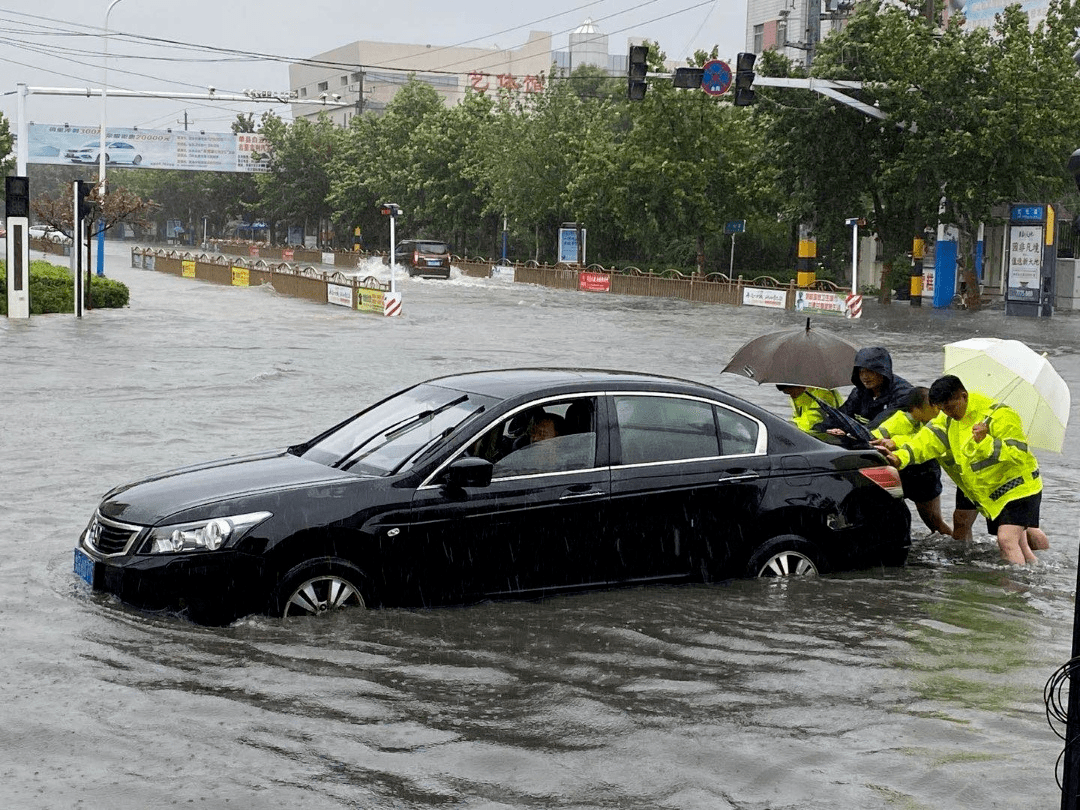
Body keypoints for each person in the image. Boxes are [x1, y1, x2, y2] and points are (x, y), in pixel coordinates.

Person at [884, 375, 1048, 564]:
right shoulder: (946, 419)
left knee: (1007, 540)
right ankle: (1034, 576)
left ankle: (1015, 589)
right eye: (942, 409)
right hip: (987, 492)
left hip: (1019, 488)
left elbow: (1019, 454)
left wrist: (985, 441)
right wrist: (899, 457)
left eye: (951, 407)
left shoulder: (1000, 415)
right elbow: (924, 443)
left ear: (964, 396)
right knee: (1018, 543)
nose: (948, 413)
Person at [823, 347, 946, 536]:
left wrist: (849, 434)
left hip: (918, 468)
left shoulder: (904, 393)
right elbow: (842, 415)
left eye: (871, 371)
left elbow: (878, 427)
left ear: (884, 371)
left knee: (934, 522)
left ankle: (956, 551)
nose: (865, 376)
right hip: (884, 465)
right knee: (883, 511)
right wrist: (822, 430)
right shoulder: (860, 393)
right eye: (861, 371)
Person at [872, 387, 977, 540]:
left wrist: (895, 443)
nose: (938, 410)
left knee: (939, 522)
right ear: (916, 408)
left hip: (928, 475)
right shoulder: (899, 420)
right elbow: (875, 436)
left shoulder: (942, 421)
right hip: (904, 471)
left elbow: (923, 441)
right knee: (959, 522)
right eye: (933, 407)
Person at [776, 384, 842, 433]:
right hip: (810, 434)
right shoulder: (798, 396)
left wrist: (788, 426)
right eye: (786, 393)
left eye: (790, 392)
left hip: (829, 437)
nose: (791, 396)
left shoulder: (823, 394)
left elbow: (813, 420)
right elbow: (797, 417)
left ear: (799, 386)